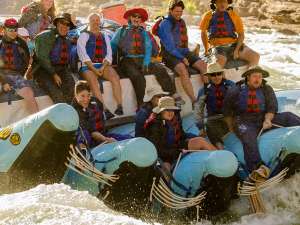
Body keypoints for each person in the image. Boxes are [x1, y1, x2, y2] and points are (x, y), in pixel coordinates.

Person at [223, 66, 300, 180]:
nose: (257, 79)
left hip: (263, 117)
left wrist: (268, 119)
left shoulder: (266, 88)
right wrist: (231, 128)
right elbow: (227, 112)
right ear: (248, 77)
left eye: (260, 76)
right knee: (248, 137)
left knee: (289, 117)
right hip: (244, 120)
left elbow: (272, 107)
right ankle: (257, 169)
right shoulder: (236, 90)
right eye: (255, 76)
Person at [111, 7, 180, 107]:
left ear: (141, 20)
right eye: (134, 16)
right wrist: (111, 62)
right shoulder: (121, 31)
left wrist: (146, 62)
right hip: (127, 60)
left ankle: (173, 95)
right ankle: (142, 105)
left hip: (143, 58)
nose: (137, 18)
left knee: (161, 69)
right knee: (137, 76)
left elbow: (149, 48)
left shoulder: (145, 33)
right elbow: (112, 46)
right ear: (130, 18)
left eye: (139, 17)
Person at [144, 96, 217, 171]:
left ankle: (220, 157)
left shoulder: (175, 120)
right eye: (167, 110)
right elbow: (157, 149)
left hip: (177, 147)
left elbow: (182, 136)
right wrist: (176, 152)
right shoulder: (154, 125)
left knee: (200, 141)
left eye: (172, 110)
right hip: (164, 155)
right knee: (166, 170)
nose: (170, 113)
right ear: (160, 111)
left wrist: (194, 138)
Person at [157, 0, 207, 104]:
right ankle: (194, 101)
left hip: (183, 51)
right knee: (182, 69)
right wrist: (182, 58)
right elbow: (170, 47)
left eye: (180, 12)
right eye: (176, 11)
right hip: (169, 54)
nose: (179, 14)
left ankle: (209, 93)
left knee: (203, 65)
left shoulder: (182, 21)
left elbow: (185, 40)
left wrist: (190, 55)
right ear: (170, 11)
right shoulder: (165, 24)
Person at [77, 13, 123, 119]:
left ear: (100, 22)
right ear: (89, 22)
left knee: (115, 77)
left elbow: (109, 54)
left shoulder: (105, 35)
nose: (95, 22)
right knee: (93, 82)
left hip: (102, 64)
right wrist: (94, 69)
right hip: (87, 65)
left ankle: (120, 106)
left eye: (97, 20)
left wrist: (102, 67)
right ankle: (105, 110)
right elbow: (83, 55)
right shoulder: (84, 35)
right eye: (92, 20)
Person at [199, 0, 260, 68]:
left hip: (234, 46)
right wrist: (206, 50)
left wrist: (237, 49)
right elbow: (203, 33)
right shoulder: (208, 15)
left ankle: (249, 75)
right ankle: (220, 77)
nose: (222, 4)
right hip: (217, 47)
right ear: (215, 3)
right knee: (221, 61)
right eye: (219, 1)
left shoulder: (234, 15)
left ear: (228, 3)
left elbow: (241, 34)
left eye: (224, 1)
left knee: (255, 56)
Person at [73, 80, 130, 149]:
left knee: (128, 139)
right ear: (76, 95)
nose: (86, 99)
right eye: (82, 96)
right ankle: (83, 151)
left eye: (88, 95)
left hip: (101, 135)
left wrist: (106, 138)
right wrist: (106, 140)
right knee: (84, 133)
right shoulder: (74, 111)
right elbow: (91, 131)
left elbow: (101, 121)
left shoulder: (95, 102)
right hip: (88, 139)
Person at [33, 13, 75, 104]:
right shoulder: (44, 36)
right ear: (57, 23)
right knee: (57, 94)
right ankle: (61, 115)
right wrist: (54, 74)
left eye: (68, 24)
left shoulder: (67, 40)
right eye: (62, 23)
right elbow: (42, 58)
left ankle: (71, 114)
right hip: (43, 70)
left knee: (72, 89)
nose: (65, 26)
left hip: (61, 69)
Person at [0, 18, 39, 113]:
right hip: (1, 75)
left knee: (29, 93)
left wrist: (21, 76)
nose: (13, 32)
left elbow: (25, 63)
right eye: (10, 30)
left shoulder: (22, 43)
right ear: (4, 30)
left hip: (15, 75)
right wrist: (4, 82)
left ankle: (35, 120)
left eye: (15, 30)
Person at [195, 62, 235, 148]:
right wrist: (201, 127)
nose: (216, 77)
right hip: (214, 118)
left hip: (230, 116)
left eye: (219, 74)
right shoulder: (204, 90)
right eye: (213, 75)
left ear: (222, 74)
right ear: (209, 76)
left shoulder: (231, 85)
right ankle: (219, 147)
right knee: (208, 124)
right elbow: (198, 110)